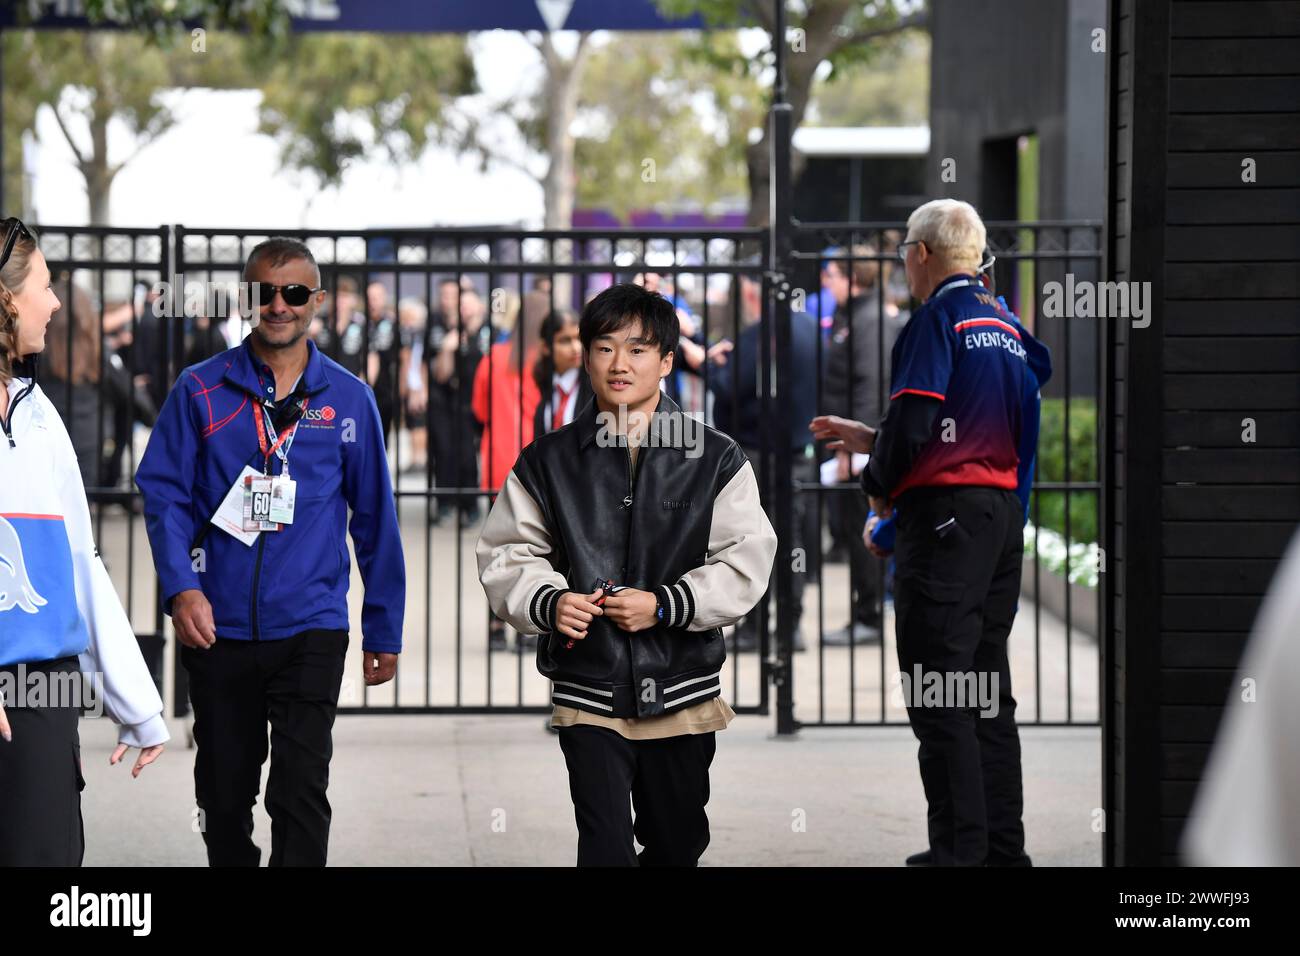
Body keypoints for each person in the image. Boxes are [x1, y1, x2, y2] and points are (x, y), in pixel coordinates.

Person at [476, 283, 777, 866]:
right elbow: (506, 553)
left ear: (667, 361)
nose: (620, 364)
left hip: (682, 689)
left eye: (639, 349)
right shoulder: (548, 460)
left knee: (677, 843)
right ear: (584, 355)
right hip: (589, 687)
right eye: (605, 347)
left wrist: (666, 605)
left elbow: (747, 558)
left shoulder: (715, 458)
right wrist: (549, 602)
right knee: (606, 849)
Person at [136, 236, 405, 867]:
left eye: (293, 293)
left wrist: (382, 629)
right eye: (264, 292)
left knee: (300, 791)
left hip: (310, 627)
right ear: (246, 298)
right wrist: (183, 587)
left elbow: (375, 522)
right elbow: (163, 495)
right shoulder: (199, 389)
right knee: (224, 798)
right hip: (216, 628)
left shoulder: (349, 400)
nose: (278, 306)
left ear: (316, 301)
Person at [814, 199, 1050, 867]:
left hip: (944, 525)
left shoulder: (934, 321)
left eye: (903, 256)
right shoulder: (1004, 324)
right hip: (996, 521)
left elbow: (918, 426)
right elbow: (1002, 424)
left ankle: (957, 853)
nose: (902, 268)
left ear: (921, 254)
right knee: (985, 691)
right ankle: (1002, 850)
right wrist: (881, 439)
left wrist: (878, 495)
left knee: (939, 692)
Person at [0, 217, 167, 866]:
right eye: (45, 285)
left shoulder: (39, 418)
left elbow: (80, 568)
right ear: (7, 297)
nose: (58, 301)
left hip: (42, 694)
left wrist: (137, 704)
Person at [707, 274, 817, 652]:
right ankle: (791, 626)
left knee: (754, 542)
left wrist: (707, 363)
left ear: (754, 293)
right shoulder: (809, 328)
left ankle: (757, 627)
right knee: (791, 541)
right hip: (799, 450)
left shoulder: (760, 335)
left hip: (760, 452)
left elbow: (729, 386)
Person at [819, 246, 903, 646]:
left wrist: (855, 452)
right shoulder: (854, 317)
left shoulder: (870, 321)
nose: (825, 280)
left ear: (853, 278)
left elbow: (870, 389)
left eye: (831, 274)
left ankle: (868, 616)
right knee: (854, 532)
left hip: (860, 452)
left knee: (863, 532)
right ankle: (864, 611)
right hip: (851, 448)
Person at [426, 284, 487, 525]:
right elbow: (441, 374)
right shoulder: (446, 330)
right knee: (443, 451)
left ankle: (469, 506)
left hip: (474, 402)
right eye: (461, 305)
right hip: (446, 400)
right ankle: (445, 503)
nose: (463, 309)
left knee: (468, 455)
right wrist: (447, 349)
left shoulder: (486, 331)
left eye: (468, 304)